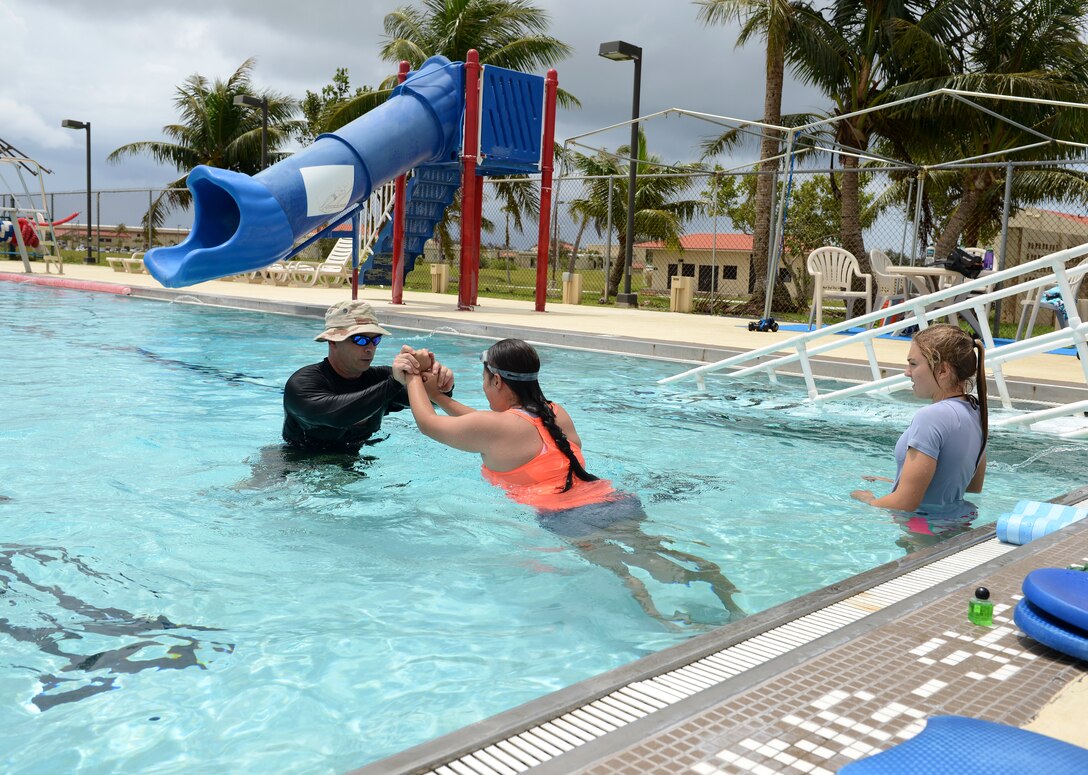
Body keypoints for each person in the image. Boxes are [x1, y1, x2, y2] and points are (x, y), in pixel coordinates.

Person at [395, 337, 744, 627]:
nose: (485, 390)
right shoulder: (554, 411)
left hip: (569, 517)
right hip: (612, 499)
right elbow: (485, 424)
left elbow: (429, 425)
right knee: (656, 553)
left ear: (497, 381)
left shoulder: (497, 428)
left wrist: (412, 377)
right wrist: (440, 396)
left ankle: (664, 623)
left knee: (621, 572)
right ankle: (729, 602)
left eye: (485, 381)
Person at [282, 300, 453, 453]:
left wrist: (440, 383)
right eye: (360, 340)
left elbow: (429, 402)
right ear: (333, 342)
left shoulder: (382, 379)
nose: (370, 348)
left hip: (356, 462)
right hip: (298, 465)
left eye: (375, 340)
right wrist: (393, 383)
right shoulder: (302, 385)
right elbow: (337, 415)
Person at [852, 324, 987, 514]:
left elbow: (905, 504)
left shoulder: (931, 417)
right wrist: (899, 481)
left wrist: (867, 499)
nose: (907, 372)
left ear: (943, 371)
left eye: (913, 364)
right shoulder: (977, 413)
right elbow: (971, 485)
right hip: (955, 527)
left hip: (922, 531)